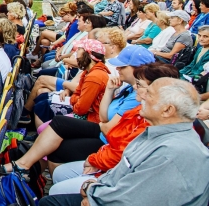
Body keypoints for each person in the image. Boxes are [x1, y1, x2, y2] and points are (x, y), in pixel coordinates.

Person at [38, 79, 209, 206]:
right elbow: (123, 170)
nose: (141, 97)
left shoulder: (171, 153)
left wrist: (92, 192)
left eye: (149, 95)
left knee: (50, 203)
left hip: (112, 197)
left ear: (167, 110)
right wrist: (94, 186)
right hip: (106, 188)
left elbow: (128, 198)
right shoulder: (156, 132)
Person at [0, 46, 156, 179]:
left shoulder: (135, 94)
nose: (118, 69)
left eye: (123, 66)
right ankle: (27, 169)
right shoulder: (126, 87)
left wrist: (75, 99)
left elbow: (87, 112)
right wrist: (108, 90)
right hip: (102, 128)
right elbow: (103, 116)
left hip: (108, 140)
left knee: (54, 120)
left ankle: (26, 167)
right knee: (51, 117)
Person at [49, 62, 180, 196]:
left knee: (56, 190)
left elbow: (121, 151)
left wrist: (94, 161)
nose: (134, 86)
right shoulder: (138, 109)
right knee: (59, 168)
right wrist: (109, 90)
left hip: (119, 178)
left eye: (139, 84)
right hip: (109, 160)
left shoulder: (151, 121)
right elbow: (113, 135)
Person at [32, 39, 110, 127]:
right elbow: (78, 92)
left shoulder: (94, 76)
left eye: (80, 49)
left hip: (91, 119)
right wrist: (76, 99)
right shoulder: (89, 71)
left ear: (87, 54)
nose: (76, 51)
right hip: (84, 110)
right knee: (42, 100)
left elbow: (80, 109)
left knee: (42, 107)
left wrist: (76, 99)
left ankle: (42, 136)